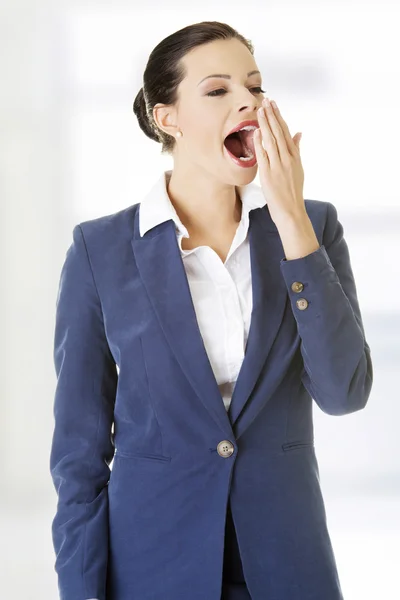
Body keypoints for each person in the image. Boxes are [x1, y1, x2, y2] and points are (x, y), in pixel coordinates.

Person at [49, 20, 373, 600]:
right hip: (151, 565)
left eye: (255, 87)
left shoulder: (312, 228)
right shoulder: (100, 251)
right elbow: (79, 454)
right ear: (165, 117)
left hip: (288, 564)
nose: (249, 100)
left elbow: (344, 392)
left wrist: (292, 218)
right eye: (219, 90)